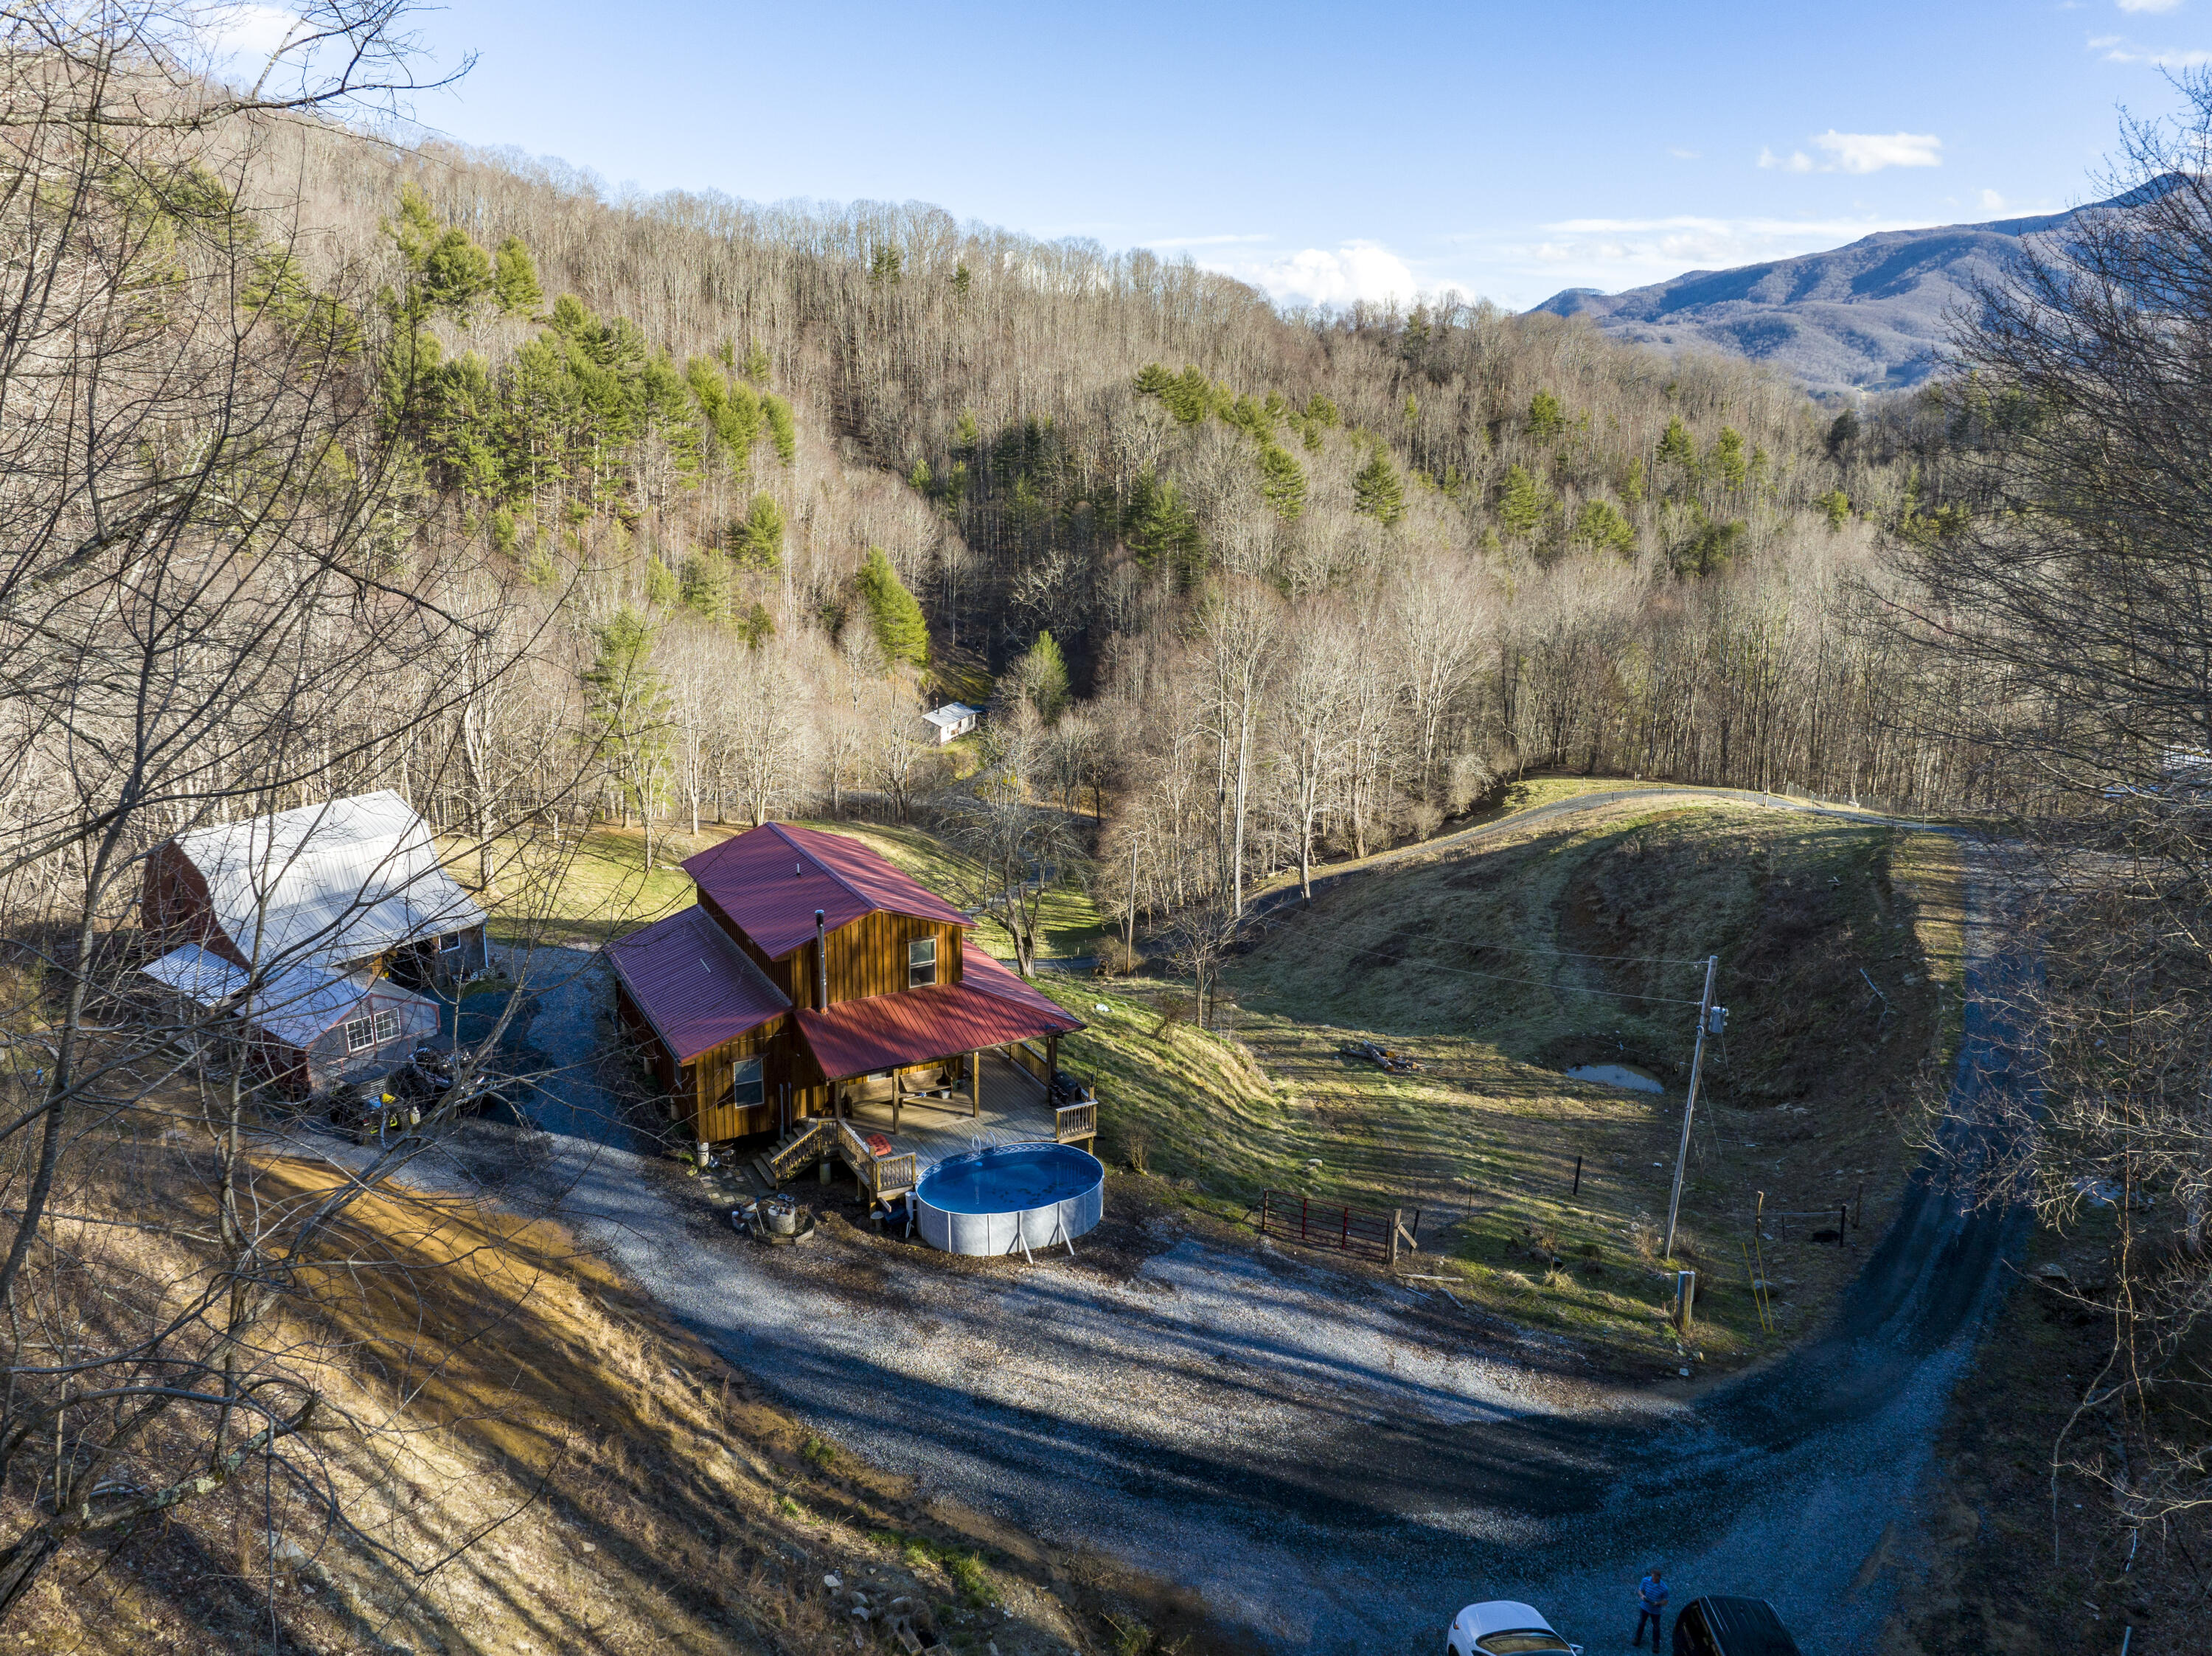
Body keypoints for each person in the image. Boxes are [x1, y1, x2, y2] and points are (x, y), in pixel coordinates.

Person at [1632, 1567, 1669, 1649]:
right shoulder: (1645, 1580)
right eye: (1653, 1578)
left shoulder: (1664, 1588)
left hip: (1656, 1611)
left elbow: (1666, 1601)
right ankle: (1637, 1638)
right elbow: (1640, 1590)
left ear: (1659, 1577)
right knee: (1641, 1623)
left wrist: (1658, 1603)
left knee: (1656, 1627)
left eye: (1655, 1579)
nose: (1654, 1580)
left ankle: (1656, 1644)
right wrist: (1642, 1596)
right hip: (1645, 1607)